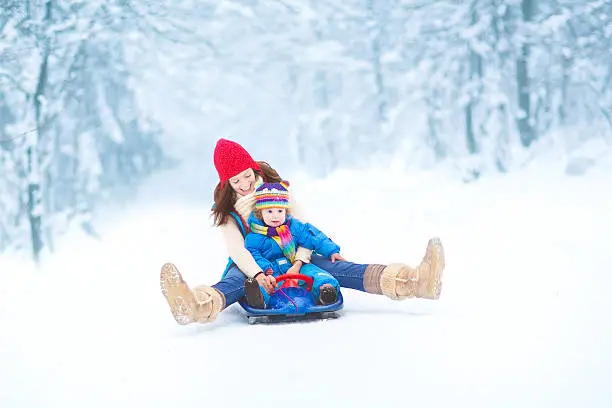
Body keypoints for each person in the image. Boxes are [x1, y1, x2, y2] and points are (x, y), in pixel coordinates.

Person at [159, 138, 445, 325]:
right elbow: (237, 249)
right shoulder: (227, 212)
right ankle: (194, 305)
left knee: (343, 268)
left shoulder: (279, 192)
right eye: (237, 181)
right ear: (227, 183)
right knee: (235, 283)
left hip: (296, 254)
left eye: (247, 175)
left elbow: (303, 228)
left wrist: (302, 259)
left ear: (253, 168)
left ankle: (414, 282)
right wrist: (258, 274)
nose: (246, 183)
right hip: (253, 263)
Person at [243, 180, 342, 308]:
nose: (275, 216)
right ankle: (258, 298)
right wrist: (265, 269)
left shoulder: (294, 227)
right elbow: (252, 254)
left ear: (286, 211)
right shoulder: (255, 236)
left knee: (314, 272)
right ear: (260, 213)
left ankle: (326, 290)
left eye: (280, 211)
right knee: (266, 285)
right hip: (272, 270)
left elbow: (312, 236)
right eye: (269, 211)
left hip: (295, 264)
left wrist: (331, 250)